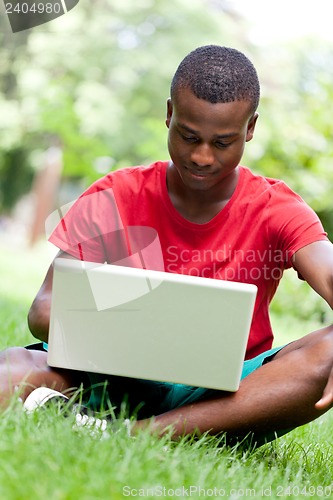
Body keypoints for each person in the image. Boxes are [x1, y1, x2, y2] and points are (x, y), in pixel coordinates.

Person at [2, 45, 333, 447]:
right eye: (188, 136)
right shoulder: (116, 194)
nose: (201, 156)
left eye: (222, 142)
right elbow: (44, 309)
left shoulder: (277, 208)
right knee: (10, 371)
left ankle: (130, 435)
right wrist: (137, 330)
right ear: (169, 114)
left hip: (224, 396)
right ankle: (143, 427)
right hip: (111, 375)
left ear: (250, 128)